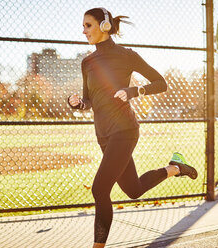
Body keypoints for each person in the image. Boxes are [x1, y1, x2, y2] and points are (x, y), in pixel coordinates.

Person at [68, 7, 198, 248]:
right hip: (103, 135)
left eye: (88, 25)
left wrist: (133, 91)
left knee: (99, 189)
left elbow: (161, 83)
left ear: (104, 26)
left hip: (125, 130)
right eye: (83, 25)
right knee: (133, 190)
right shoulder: (87, 62)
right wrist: (77, 103)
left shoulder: (127, 55)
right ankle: (175, 168)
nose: (83, 30)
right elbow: (89, 100)